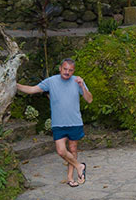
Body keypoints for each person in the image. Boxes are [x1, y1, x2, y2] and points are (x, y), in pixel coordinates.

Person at [16, 58, 93, 187]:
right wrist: (15, 85)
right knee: (61, 151)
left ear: (73, 71)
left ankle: (70, 177)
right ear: (60, 68)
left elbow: (89, 99)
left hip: (74, 122)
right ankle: (80, 166)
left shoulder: (77, 81)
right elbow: (32, 89)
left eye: (70, 70)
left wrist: (82, 86)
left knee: (73, 149)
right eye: (65, 69)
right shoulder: (51, 81)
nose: (67, 72)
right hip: (58, 123)